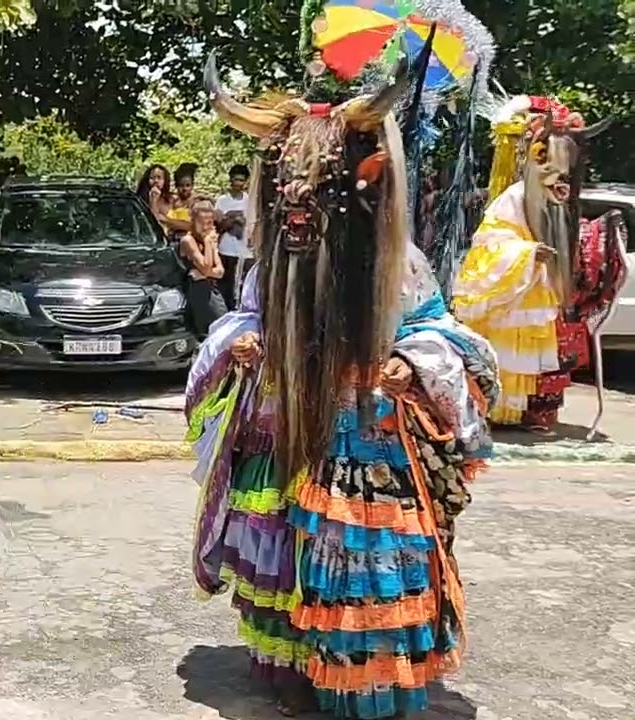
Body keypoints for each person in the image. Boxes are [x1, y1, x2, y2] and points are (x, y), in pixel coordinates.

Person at [187, 55, 499, 719]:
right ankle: (295, 665)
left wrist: (411, 362)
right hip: (287, 425)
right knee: (280, 546)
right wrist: (236, 343)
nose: (299, 209)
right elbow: (245, 315)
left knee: (361, 559)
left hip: (365, 440)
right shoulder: (269, 264)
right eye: (287, 196)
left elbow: (448, 334)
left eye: (315, 193)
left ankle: (363, 676)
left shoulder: (399, 263)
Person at [452, 95, 612, 435]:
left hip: (539, 288)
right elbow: (491, 239)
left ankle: (522, 412)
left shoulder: (558, 198)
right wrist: (524, 252)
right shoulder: (514, 196)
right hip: (515, 286)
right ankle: (493, 409)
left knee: (527, 357)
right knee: (506, 352)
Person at [180, 199, 227, 336]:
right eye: (203, 222)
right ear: (194, 221)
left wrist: (206, 273)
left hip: (212, 288)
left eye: (210, 222)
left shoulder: (209, 240)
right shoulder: (188, 241)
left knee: (222, 324)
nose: (207, 226)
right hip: (197, 291)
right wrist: (207, 243)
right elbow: (206, 266)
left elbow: (220, 271)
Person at [214, 164, 252, 309]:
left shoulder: (249, 200)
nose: (238, 184)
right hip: (226, 248)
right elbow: (219, 224)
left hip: (245, 250)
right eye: (236, 180)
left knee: (243, 285)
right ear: (230, 180)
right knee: (226, 285)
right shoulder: (222, 200)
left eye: (241, 180)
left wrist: (233, 217)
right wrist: (234, 218)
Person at [136, 163, 175, 230]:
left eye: (159, 178)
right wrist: (153, 201)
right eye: (152, 178)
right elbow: (152, 225)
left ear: (165, 181)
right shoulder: (139, 201)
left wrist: (164, 219)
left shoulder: (172, 199)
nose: (156, 181)